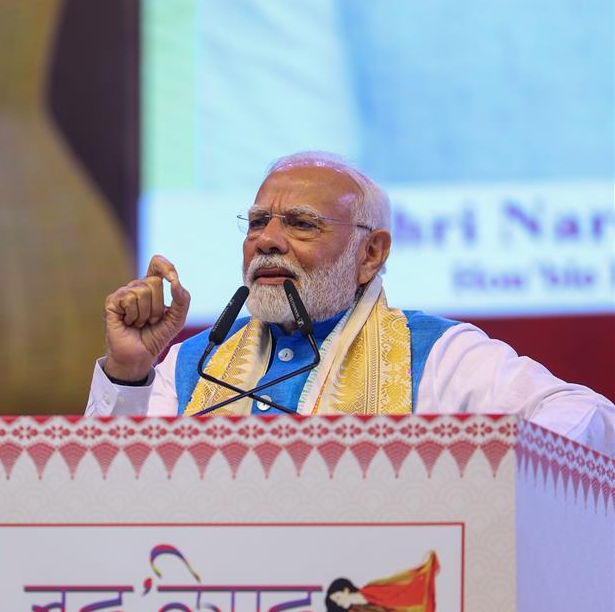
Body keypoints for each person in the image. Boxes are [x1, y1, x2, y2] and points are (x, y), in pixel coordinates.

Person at [85, 152, 614, 456]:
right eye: (257, 222)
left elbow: (587, 415)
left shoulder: (436, 355)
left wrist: (484, 473)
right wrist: (130, 371)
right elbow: (108, 492)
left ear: (371, 253)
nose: (266, 240)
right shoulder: (190, 365)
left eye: (299, 223)